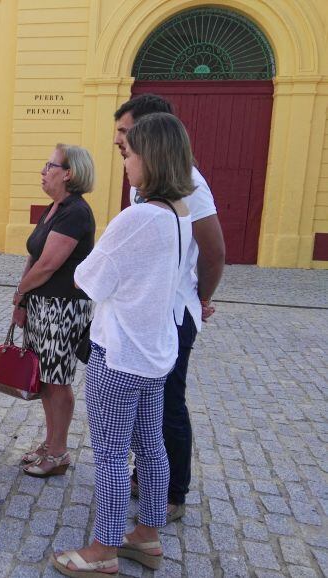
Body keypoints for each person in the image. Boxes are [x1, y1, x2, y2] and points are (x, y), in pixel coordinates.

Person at [51, 112, 194, 576]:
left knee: (111, 452)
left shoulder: (137, 218)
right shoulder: (180, 213)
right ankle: (148, 535)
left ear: (150, 159)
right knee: (151, 445)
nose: (125, 164)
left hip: (120, 351)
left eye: (129, 154)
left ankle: (104, 547)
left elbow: (88, 279)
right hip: (154, 352)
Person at [114, 93, 225, 522]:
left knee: (168, 402)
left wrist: (202, 297)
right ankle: (147, 475)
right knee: (146, 401)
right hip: (146, 310)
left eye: (126, 133)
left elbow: (214, 252)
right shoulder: (141, 179)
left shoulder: (190, 184)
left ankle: (173, 492)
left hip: (174, 315)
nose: (119, 142)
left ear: (151, 132)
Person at [11, 144, 95, 478]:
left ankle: (59, 453)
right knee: (45, 379)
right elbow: (33, 256)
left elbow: (48, 265)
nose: (44, 171)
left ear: (69, 172)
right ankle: (50, 443)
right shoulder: (54, 208)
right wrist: (23, 300)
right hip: (42, 304)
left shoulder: (75, 212)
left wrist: (20, 293)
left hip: (63, 307)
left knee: (58, 381)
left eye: (50, 165)